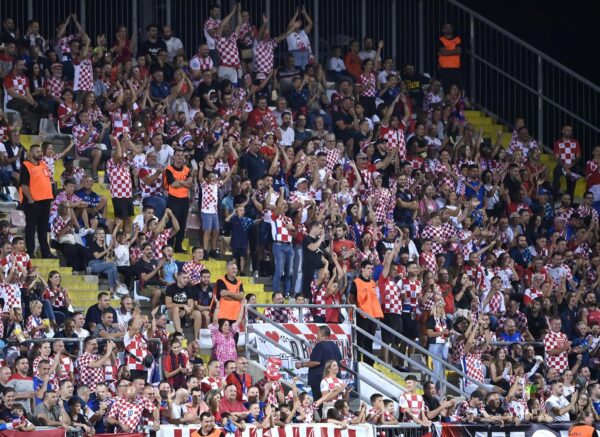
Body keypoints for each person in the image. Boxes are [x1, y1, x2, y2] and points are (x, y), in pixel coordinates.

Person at [19, 143, 54, 258]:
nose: (40, 154)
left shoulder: (43, 164)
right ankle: (30, 252)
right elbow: (24, 185)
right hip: (34, 202)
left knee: (43, 229)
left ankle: (46, 252)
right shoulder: (26, 165)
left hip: (46, 201)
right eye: (37, 152)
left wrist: (50, 198)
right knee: (31, 228)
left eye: (41, 151)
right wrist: (30, 199)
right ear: (31, 153)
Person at [295, 325, 342, 403]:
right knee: (333, 403)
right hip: (334, 380)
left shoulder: (320, 345)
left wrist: (302, 364)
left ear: (322, 334)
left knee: (319, 403)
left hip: (320, 380)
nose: (317, 336)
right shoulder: (335, 345)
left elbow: (316, 362)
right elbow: (339, 360)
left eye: (318, 333)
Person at [349, 260, 383, 366]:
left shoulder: (372, 283)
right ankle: (358, 364)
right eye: (368, 268)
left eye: (371, 268)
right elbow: (351, 297)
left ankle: (369, 365)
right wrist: (357, 310)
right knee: (360, 341)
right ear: (362, 269)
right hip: (362, 316)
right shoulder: (356, 282)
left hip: (372, 316)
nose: (370, 270)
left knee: (369, 341)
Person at [164, 149, 193, 253]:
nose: (180, 157)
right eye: (178, 155)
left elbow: (190, 183)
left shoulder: (187, 169)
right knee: (171, 223)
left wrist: (179, 181)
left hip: (184, 199)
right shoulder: (169, 169)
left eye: (182, 155)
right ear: (174, 157)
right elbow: (173, 184)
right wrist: (184, 182)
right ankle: (169, 244)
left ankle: (178, 246)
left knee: (182, 224)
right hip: (173, 199)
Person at [437, 23, 462, 92]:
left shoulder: (457, 39)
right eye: (446, 27)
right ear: (443, 30)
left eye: (449, 27)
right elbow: (444, 51)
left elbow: (459, 51)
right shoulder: (440, 40)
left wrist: (444, 53)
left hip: (455, 67)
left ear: (452, 29)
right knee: (446, 88)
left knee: (458, 88)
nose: (448, 29)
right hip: (444, 68)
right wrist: (454, 51)